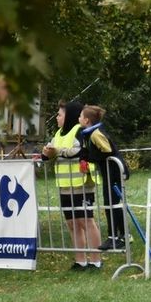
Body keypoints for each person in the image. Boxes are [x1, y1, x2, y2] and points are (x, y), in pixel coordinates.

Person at [42, 99, 102, 270]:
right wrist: (46, 153)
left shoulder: (80, 131)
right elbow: (50, 151)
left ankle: (95, 260)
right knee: (72, 222)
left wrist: (57, 152)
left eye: (60, 115)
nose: (57, 118)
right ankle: (80, 260)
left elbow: (78, 151)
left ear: (69, 116)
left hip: (82, 182)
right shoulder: (59, 133)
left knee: (86, 220)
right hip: (65, 185)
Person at [78, 105, 130, 251]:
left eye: (81, 116)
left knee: (113, 204)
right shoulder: (88, 134)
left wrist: (91, 158)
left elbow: (107, 150)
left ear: (87, 120)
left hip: (115, 171)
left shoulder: (95, 134)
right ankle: (115, 236)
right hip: (107, 172)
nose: (79, 118)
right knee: (110, 204)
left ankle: (121, 236)